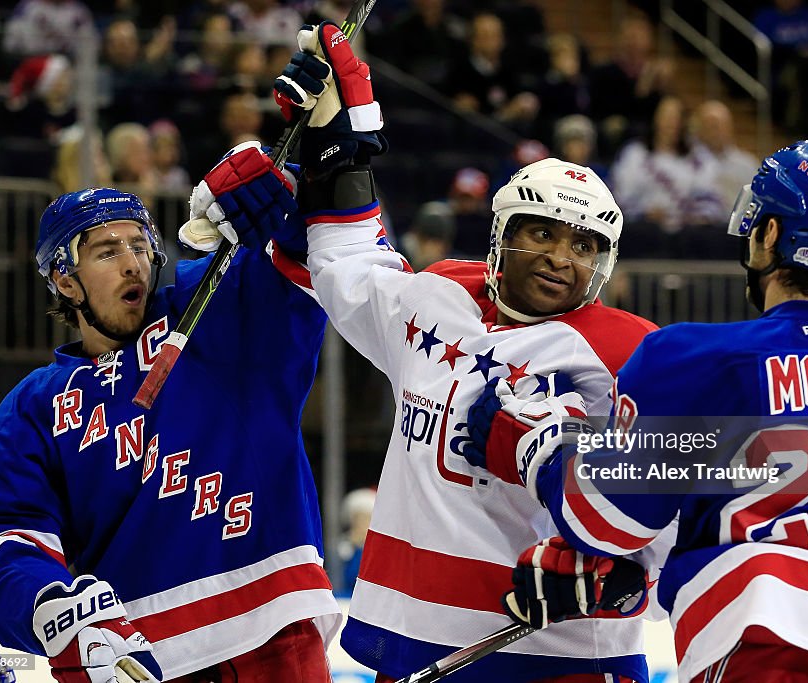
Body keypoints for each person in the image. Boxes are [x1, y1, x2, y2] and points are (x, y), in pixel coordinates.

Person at [465, 140, 808, 682]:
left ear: (769, 233)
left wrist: (537, 443)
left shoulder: (696, 356)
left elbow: (605, 522)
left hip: (773, 631)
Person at [273, 21, 667, 683]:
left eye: (582, 245)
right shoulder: (438, 297)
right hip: (417, 639)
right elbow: (348, 263)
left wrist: (629, 566)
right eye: (540, 232)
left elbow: (700, 467)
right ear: (501, 235)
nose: (558, 257)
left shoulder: (628, 347)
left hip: (556, 654)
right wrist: (336, 145)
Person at [0, 143, 341, 682]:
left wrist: (288, 186)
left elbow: (312, 254)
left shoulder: (211, 311)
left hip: (271, 637)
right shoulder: (30, 408)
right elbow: (15, 545)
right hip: (133, 659)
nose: (132, 263)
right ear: (65, 280)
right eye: (105, 251)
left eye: (139, 245)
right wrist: (49, 609)